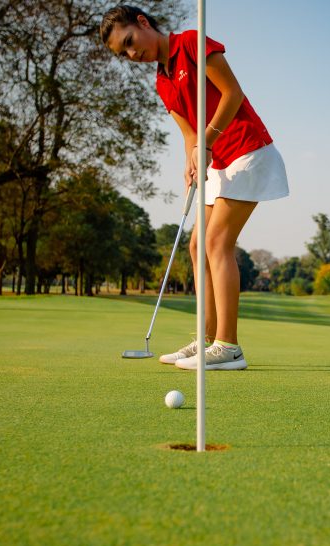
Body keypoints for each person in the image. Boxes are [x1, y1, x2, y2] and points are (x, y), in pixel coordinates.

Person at [100, 5, 288, 371]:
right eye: (124, 54)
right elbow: (189, 133)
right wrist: (190, 160)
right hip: (217, 160)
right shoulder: (161, 81)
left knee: (218, 243)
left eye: (129, 42)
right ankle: (205, 341)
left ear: (142, 23)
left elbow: (232, 93)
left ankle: (229, 346)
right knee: (197, 244)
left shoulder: (191, 42)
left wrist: (207, 141)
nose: (132, 53)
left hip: (248, 150)